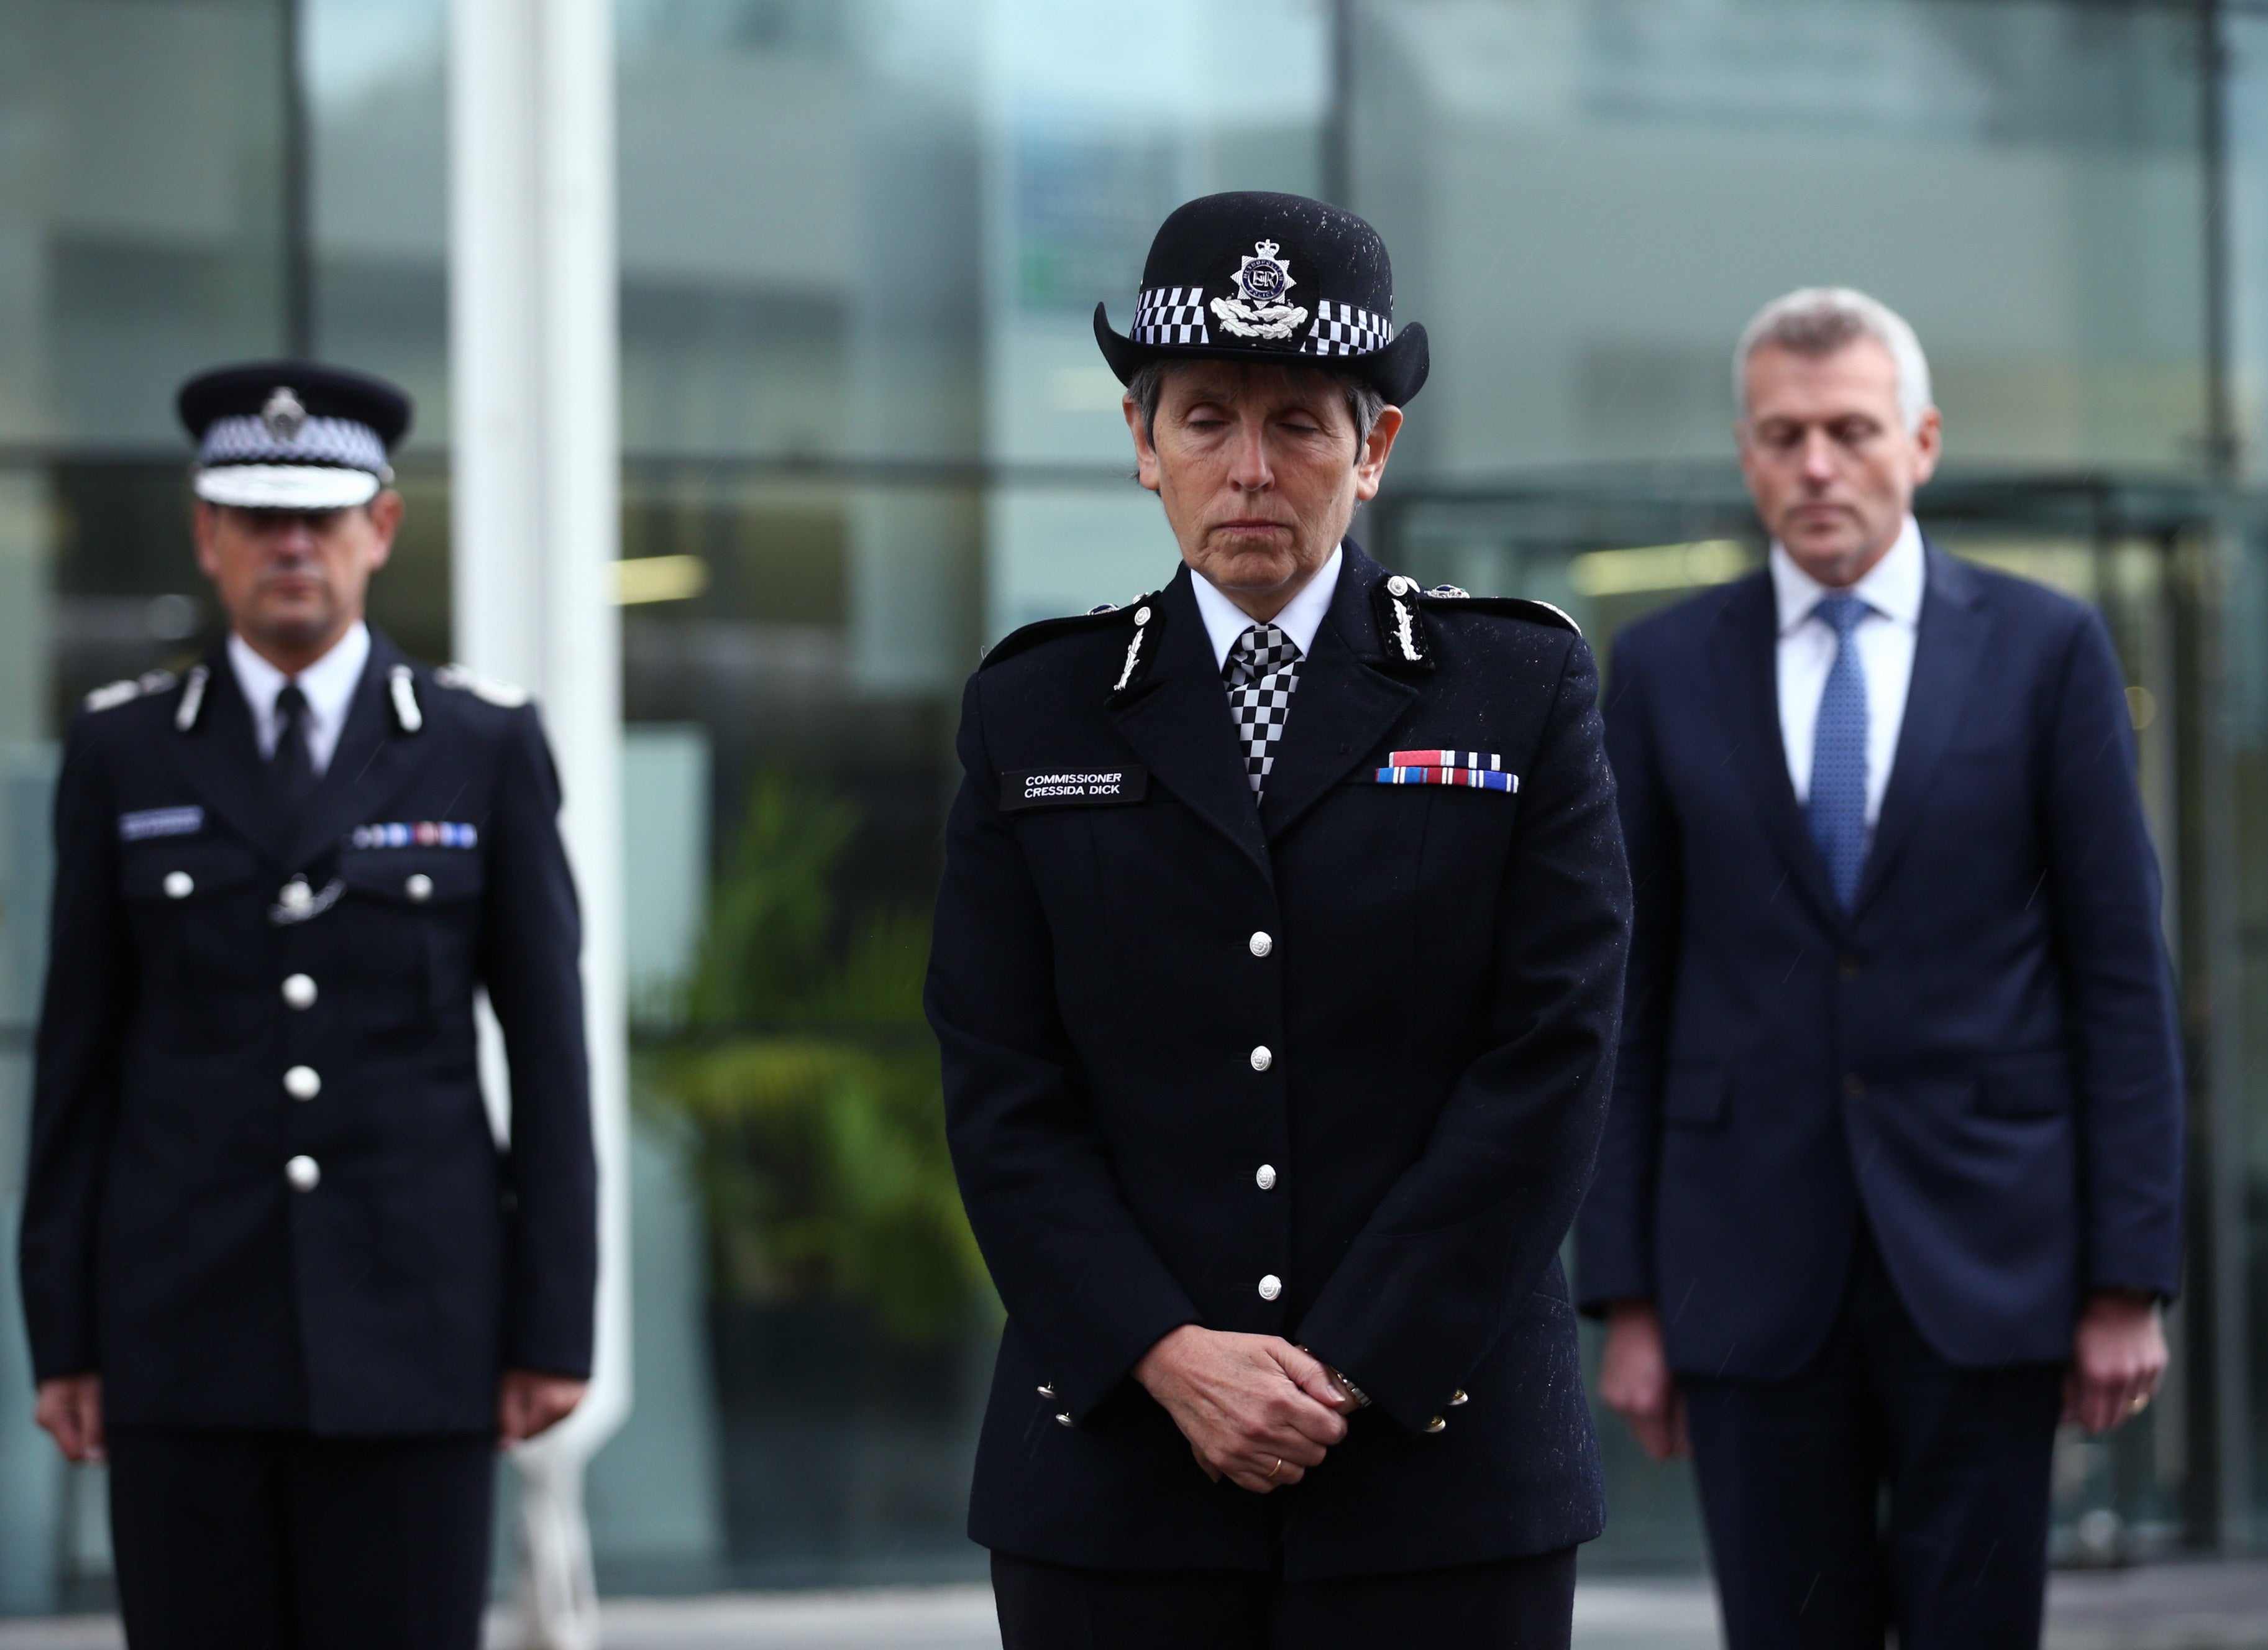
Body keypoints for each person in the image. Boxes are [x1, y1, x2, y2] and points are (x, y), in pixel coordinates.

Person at [924, 191, 1631, 1650]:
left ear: (1372, 451)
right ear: (1142, 445)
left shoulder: (1515, 690)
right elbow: (1004, 1084)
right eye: (1205, 418)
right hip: (1118, 1471)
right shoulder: (1031, 708)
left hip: (1438, 1474)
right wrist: (1171, 1355)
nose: (1250, 467)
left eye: (1300, 420)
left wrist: (1348, 1367)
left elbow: (1550, 1059)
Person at [1577, 288, 2184, 1649]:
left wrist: (2124, 1274)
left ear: (1920, 440)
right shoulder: (1665, 667)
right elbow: (1627, 994)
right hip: (1743, 1271)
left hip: (1992, 1259)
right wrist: (1624, 1293)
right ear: (1744, 452)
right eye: (1782, 434)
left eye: (1849, 429)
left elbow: (2118, 978)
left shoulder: (2045, 651)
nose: (1814, 465)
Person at [19, 362, 597, 1650]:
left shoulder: (480, 745)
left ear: (380, 528)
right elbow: (78, 1057)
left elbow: (549, 1055)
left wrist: (553, 1321)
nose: (292, 545)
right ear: (203, 532)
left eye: (322, 517)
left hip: (418, 1338)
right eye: (257, 515)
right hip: (180, 1337)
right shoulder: (121, 750)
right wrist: (63, 1331)